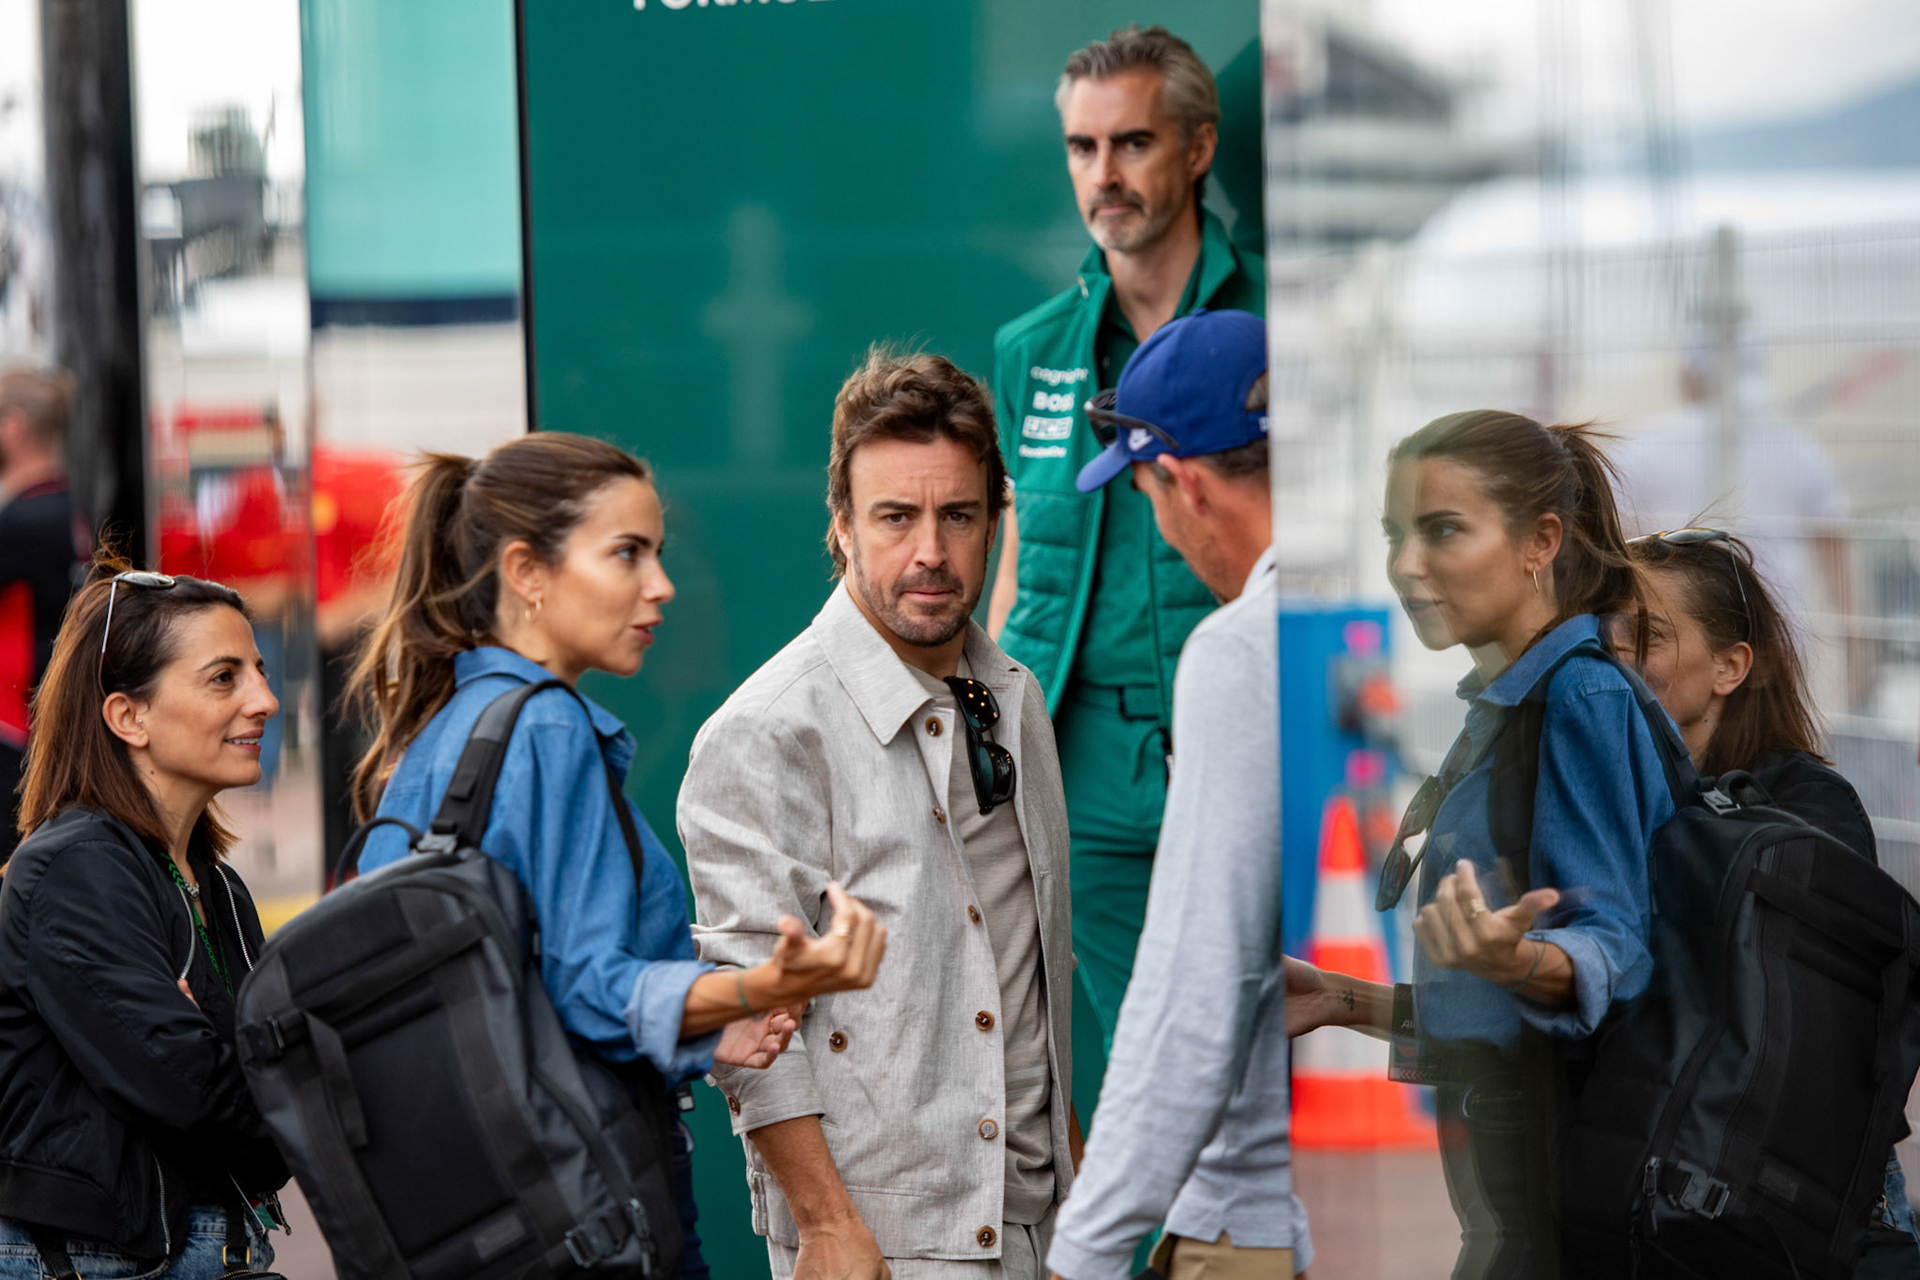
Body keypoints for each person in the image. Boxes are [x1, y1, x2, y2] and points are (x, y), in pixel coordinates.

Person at [350, 433, 885, 1280]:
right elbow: (588, 983)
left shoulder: (443, 727)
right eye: (627, 554)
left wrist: (710, 1032)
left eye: (658, 554)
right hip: (590, 1200)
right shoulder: (547, 728)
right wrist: (768, 983)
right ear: (526, 572)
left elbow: (514, 989)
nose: (662, 586)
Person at [681, 349, 1079, 1280]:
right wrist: (825, 1226)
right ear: (843, 527)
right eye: (896, 517)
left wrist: (1075, 1188)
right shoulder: (768, 730)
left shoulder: (1014, 696)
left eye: (960, 516)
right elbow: (749, 1018)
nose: (930, 551)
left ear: (995, 523)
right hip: (884, 1242)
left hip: (1040, 1226)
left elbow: (1029, 974)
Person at [1285, 411, 1675, 1279]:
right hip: (1513, 1201)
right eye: (1395, 534)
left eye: (1443, 531)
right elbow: (1506, 1013)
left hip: (1554, 1209)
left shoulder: (1575, 701)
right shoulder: (1508, 707)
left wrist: (1524, 962)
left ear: (1542, 540)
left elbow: (1616, 954)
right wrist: (1344, 1001)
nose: (1405, 565)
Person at [986, 21, 1266, 1078]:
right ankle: (1149, 1251)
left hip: (1241, 724)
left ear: (1197, 149)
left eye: (1133, 143)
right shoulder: (1032, 348)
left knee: (1258, 1047)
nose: (1105, 174)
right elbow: (1023, 564)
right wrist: (990, 734)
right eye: (1081, 148)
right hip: (1084, 758)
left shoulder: (1279, 317)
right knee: (1128, 1066)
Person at [1045, 311, 1312, 1280]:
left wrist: (1083, 1250)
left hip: (1257, 1217)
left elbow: (1193, 990)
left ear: (1184, 483)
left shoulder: (1241, 651)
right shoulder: (1387, 607)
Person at [1618, 527, 1920, 1277]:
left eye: (1648, 637)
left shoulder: (1808, 808)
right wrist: (1354, 1004)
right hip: (1676, 1198)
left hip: (1800, 1208)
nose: (1619, 659)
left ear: (1731, 667)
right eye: (1607, 637)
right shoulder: (1620, 801)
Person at [0, 555, 289, 1275]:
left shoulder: (215, 883)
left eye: (258, 670)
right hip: (112, 1260)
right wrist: (286, 1086)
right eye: (225, 677)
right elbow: (194, 1092)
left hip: (210, 1247)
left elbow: (245, 1080)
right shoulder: (77, 867)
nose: (265, 700)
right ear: (128, 716)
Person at [0, 367, 88, 861]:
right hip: (59, 737)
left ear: (13, 428)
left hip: (16, 743)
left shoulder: (20, 522)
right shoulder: (75, 508)